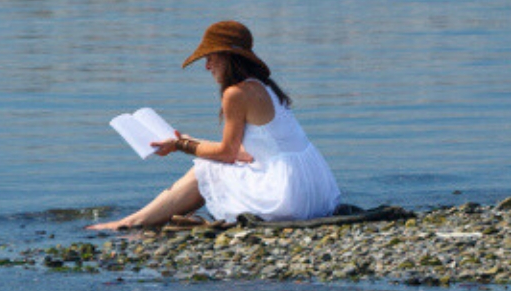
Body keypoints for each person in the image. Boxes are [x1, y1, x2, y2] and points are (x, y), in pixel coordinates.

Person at [88, 21, 342, 230]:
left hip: (289, 197)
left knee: (203, 171)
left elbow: (228, 154)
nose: (207, 66)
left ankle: (130, 223)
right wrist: (187, 141)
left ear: (229, 58)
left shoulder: (235, 93)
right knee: (211, 165)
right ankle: (137, 220)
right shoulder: (263, 86)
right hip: (315, 191)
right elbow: (244, 154)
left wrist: (180, 145)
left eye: (211, 58)